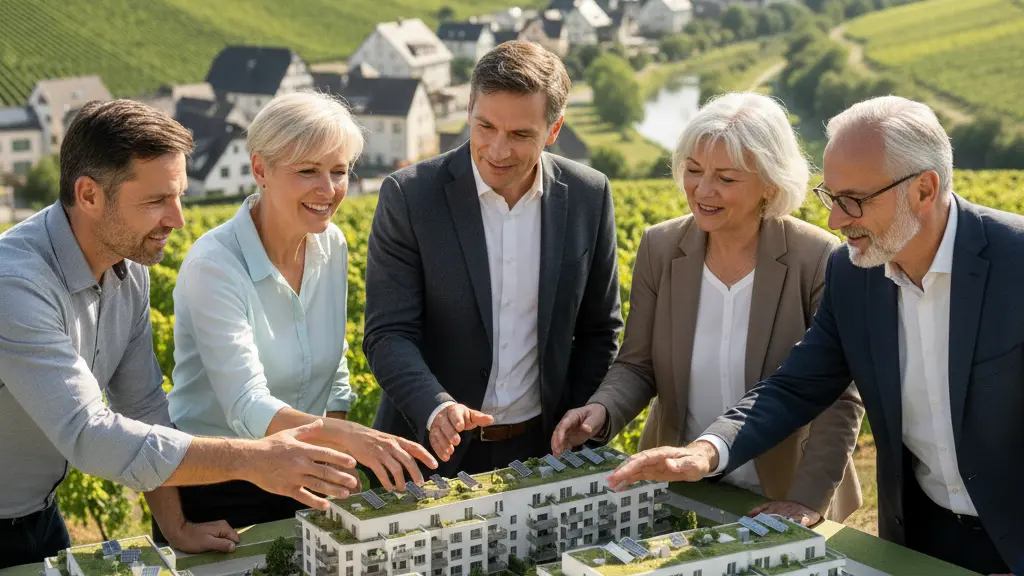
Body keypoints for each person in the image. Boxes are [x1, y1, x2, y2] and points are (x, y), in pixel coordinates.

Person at [605, 96, 1024, 575]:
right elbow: (797, 386)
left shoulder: (1017, 262)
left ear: (924, 190)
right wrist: (706, 452)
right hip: (921, 536)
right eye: (831, 197)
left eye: (854, 201)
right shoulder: (853, 271)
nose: (835, 221)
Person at [0, 100, 361, 569]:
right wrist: (254, 459)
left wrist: (176, 527)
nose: (178, 219)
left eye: (179, 197)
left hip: (38, 514)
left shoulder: (128, 269)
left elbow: (143, 405)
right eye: (156, 201)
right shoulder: (16, 285)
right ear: (88, 195)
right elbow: (89, 434)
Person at [552, 92, 864, 526]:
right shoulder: (660, 248)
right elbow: (638, 364)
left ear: (770, 183)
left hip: (782, 490)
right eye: (694, 170)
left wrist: (807, 499)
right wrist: (602, 409)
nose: (702, 190)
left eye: (726, 178)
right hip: (679, 482)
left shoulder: (819, 259)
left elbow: (838, 398)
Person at [162, 92, 436, 541]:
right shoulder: (214, 265)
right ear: (260, 170)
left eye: (338, 171)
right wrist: (347, 436)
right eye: (307, 171)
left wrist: (333, 461)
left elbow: (336, 365)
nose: (328, 190)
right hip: (217, 486)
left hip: (303, 472)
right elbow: (246, 404)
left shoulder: (331, 244)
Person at [363, 40, 624, 477]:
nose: (498, 151)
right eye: (485, 127)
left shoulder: (588, 195)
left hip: (545, 452)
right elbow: (388, 333)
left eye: (520, 135)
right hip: (428, 453)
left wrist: (576, 424)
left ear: (554, 129)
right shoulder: (409, 196)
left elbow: (600, 329)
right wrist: (435, 406)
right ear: (469, 109)